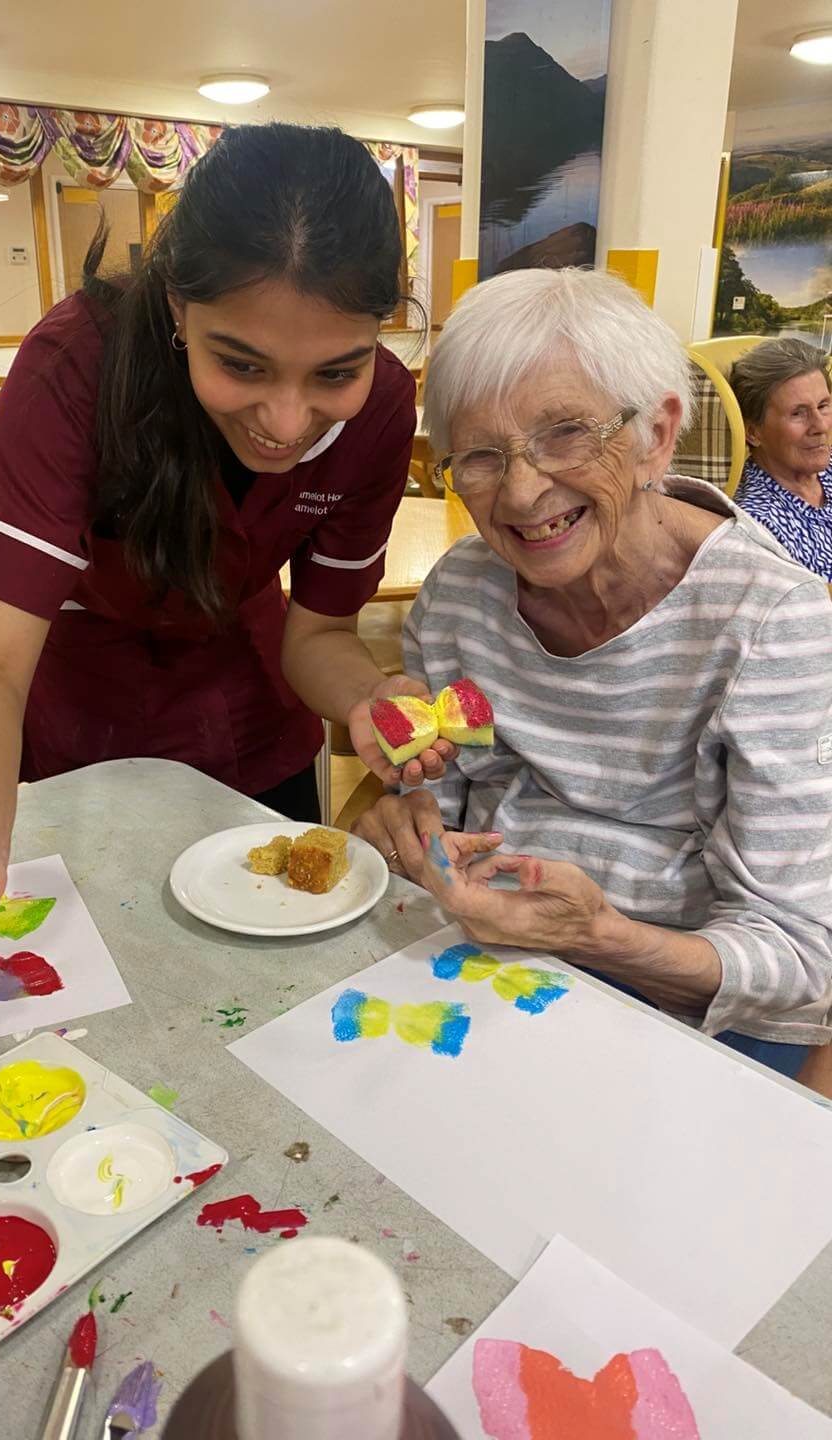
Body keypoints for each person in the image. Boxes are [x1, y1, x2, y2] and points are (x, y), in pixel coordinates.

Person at [0, 122, 451, 996]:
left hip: (252, 713)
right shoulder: (78, 364)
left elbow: (320, 634)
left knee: (272, 991)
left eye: (334, 374)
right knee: (93, 980)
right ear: (176, 307)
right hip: (78, 718)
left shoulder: (383, 408)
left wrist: (367, 699)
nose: (286, 422)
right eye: (241, 364)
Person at [353, 267, 832, 1078]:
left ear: (657, 435)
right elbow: (443, 800)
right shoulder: (463, 591)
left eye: (566, 433)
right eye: (480, 456)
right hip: (483, 963)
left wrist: (602, 938)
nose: (521, 492)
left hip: (688, 1008)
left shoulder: (772, 624)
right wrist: (407, 824)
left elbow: (801, 961)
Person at [731, 337, 832, 579]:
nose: (820, 426)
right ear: (753, 432)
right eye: (798, 413)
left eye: (823, 406)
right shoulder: (758, 527)